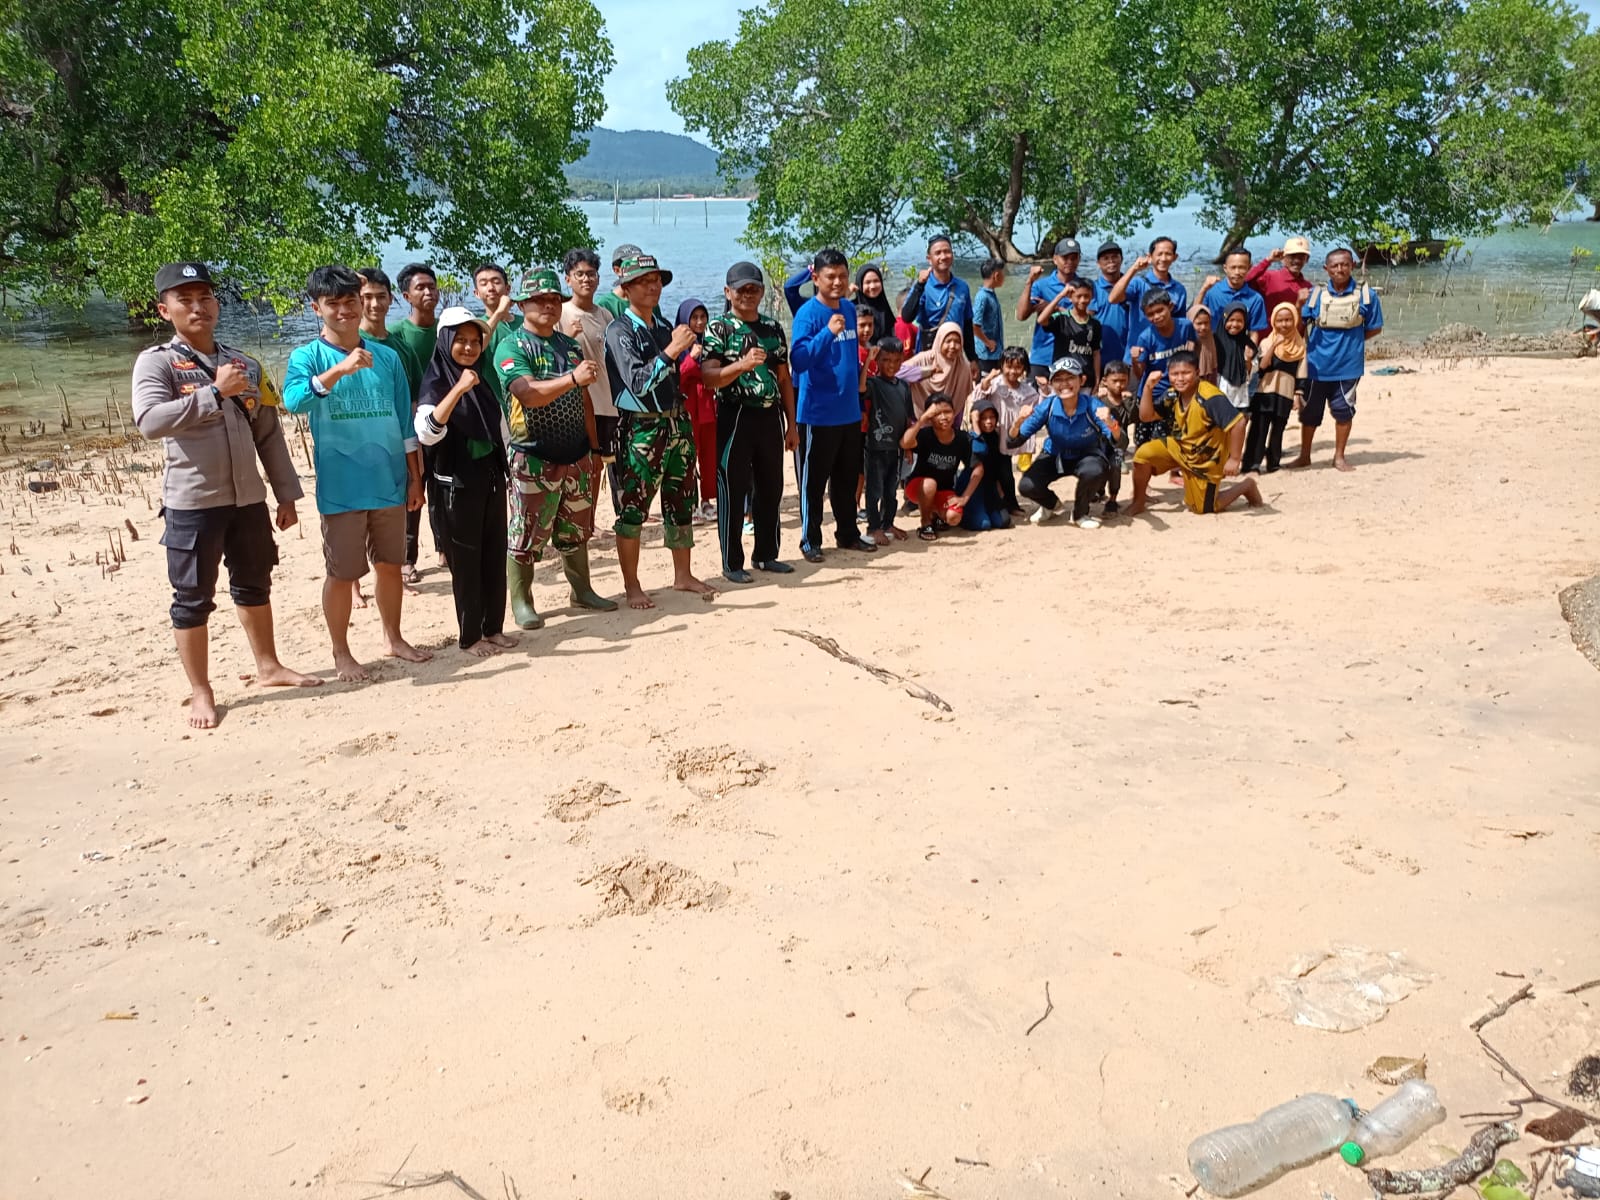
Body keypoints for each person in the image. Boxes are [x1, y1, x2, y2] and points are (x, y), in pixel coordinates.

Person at [131, 261, 321, 728]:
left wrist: (286, 494)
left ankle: (269, 666)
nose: (198, 307)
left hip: (247, 500)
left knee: (255, 582)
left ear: (216, 304)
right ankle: (201, 690)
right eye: (185, 300)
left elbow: (269, 434)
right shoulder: (156, 362)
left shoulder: (247, 364)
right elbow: (150, 421)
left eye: (205, 298)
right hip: (192, 501)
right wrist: (212, 394)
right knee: (192, 598)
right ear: (164, 309)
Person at [282, 265, 431, 681]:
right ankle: (341, 652)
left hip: (390, 481)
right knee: (342, 573)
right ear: (316, 308)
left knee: (389, 565)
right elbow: (293, 401)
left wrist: (415, 478)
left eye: (352, 301)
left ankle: (393, 637)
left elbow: (405, 425)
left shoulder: (386, 357)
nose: (345, 311)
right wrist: (340, 370)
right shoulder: (307, 356)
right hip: (342, 485)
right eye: (334, 304)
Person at [496, 269, 618, 626]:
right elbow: (526, 393)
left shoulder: (568, 345)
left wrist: (594, 449)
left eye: (554, 299)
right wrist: (570, 378)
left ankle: (581, 590)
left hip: (576, 453)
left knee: (576, 528)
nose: (549, 305)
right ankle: (522, 602)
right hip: (532, 453)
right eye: (540, 300)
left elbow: (586, 401)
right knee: (525, 532)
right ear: (523, 305)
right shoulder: (512, 345)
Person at [602, 252, 719, 605]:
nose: (653, 286)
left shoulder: (663, 325)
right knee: (634, 507)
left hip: (676, 422)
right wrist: (672, 351)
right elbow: (638, 382)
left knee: (682, 499)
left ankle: (682, 575)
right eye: (643, 281)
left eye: (656, 280)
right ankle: (632, 585)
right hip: (641, 428)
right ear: (626, 287)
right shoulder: (619, 330)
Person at [414, 307, 516, 657]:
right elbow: (427, 432)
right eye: (461, 341)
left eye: (475, 341)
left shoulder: (479, 379)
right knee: (467, 563)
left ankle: (494, 628)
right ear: (445, 342)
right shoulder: (438, 381)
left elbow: (498, 427)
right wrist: (457, 390)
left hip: (489, 478)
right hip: (455, 485)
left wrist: (509, 471)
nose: (469, 348)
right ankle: (470, 636)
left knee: (493, 557)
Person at [700, 261, 799, 581]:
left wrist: (792, 423)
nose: (748, 295)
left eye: (753, 288)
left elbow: (784, 378)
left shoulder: (772, 328)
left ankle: (766, 554)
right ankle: (731, 562)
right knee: (732, 486)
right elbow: (708, 377)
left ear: (762, 291)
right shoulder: (719, 328)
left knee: (771, 487)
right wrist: (741, 365)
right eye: (741, 289)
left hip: (770, 416)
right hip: (736, 414)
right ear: (728, 292)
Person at [791, 247, 876, 562]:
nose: (838, 282)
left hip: (849, 410)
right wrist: (827, 333)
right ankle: (810, 541)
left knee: (845, 478)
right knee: (813, 483)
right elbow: (798, 361)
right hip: (817, 414)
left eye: (843, 275)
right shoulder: (808, 315)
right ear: (815, 278)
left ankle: (848, 534)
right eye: (831, 276)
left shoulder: (850, 310)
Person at [1127, 350, 1263, 516]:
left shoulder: (1210, 397)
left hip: (1205, 459)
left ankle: (1246, 486)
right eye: (1175, 374)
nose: (1180, 378)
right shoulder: (1172, 393)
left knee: (1203, 509)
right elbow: (1146, 416)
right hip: (1180, 447)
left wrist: (1234, 459)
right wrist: (1148, 387)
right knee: (1142, 455)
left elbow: (1238, 423)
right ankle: (1138, 502)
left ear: (1198, 373)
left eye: (1186, 373)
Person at [1294, 247, 1382, 471]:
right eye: (1335, 265)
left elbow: (1375, 328)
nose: (1340, 269)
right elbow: (1298, 328)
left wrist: (1352, 341)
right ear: (1326, 269)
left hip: (1348, 367)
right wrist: (1298, 304)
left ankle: (1339, 456)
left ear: (1352, 264)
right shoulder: (1314, 295)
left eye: (1344, 264)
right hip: (1315, 366)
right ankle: (1305, 455)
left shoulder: (1367, 295)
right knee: (1309, 413)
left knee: (1343, 411)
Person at [1010, 356, 1116, 528]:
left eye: (1070, 378)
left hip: (1086, 455)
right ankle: (1050, 505)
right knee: (1026, 485)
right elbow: (1013, 441)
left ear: (1081, 380)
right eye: (1058, 380)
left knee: (1095, 470)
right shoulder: (1048, 406)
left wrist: (1112, 424)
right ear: (1051, 384)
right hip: (1055, 455)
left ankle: (1080, 513)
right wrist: (1018, 422)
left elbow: (1120, 441)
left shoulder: (1092, 405)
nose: (1064, 384)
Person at [388, 263, 441, 584]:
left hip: (446, 421)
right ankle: (408, 559)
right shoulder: (397, 336)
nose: (428, 292)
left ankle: (444, 548)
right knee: (415, 489)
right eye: (420, 288)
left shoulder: (447, 329)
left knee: (443, 488)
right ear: (406, 295)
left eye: (432, 286)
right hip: (411, 424)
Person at [560, 248, 623, 513]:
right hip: (576, 404)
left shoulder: (604, 314)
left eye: (592, 274)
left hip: (606, 402)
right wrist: (568, 338)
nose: (586, 280)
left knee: (598, 465)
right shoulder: (561, 314)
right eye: (580, 274)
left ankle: (591, 520)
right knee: (576, 466)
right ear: (568, 279)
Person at [901, 396, 981, 541]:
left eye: (947, 412)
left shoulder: (962, 438)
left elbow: (978, 469)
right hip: (918, 487)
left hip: (944, 489)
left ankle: (935, 514)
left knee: (954, 518)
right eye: (937, 414)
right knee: (930, 483)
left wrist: (964, 498)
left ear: (954, 412)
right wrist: (923, 419)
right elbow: (905, 443)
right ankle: (925, 522)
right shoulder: (925, 435)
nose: (943, 417)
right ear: (931, 417)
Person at [969, 346, 1038, 512]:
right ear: (1001, 366)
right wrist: (985, 383)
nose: (1013, 371)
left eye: (1018, 367)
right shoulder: (994, 383)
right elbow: (977, 401)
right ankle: (992, 501)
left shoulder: (1026, 391)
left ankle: (1010, 503)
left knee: (1006, 471)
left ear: (1024, 369)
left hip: (1007, 437)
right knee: (989, 469)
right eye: (1009, 366)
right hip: (990, 434)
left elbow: (1034, 407)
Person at [861, 335, 914, 545]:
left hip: (897, 448)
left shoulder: (903, 386)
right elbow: (860, 388)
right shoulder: (873, 384)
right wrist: (867, 362)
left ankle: (888, 523)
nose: (891, 365)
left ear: (902, 360)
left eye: (895, 361)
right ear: (877, 361)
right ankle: (873, 527)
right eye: (885, 360)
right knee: (874, 490)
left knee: (892, 490)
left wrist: (908, 447)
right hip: (875, 447)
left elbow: (908, 417)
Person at [1243, 302, 1306, 474]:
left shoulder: (1300, 346)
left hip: (1285, 392)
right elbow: (1262, 366)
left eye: (1288, 320)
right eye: (1280, 320)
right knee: (1259, 429)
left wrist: (1298, 395)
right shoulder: (1266, 342)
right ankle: (1252, 465)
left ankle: (1274, 463)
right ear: (1273, 322)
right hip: (1265, 391)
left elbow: (1302, 373)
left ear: (1294, 321)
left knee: (1278, 430)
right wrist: (1274, 346)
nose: (1284, 324)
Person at [1129, 290, 1197, 446]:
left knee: (1172, 435)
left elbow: (1194, 349)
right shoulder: (1146, 337)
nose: (1156, 316)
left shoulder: (1185, 326)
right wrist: (1134, 360)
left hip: (1177, 390)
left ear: (1170, 306)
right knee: (1143, 440)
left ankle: (1174, 469)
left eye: (1160, 310)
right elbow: (1140, 374)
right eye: (1150, 314)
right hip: (1152, 393)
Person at [673, 298, 719, 523]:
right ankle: (689, 502)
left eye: (703, 317)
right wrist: (691, 358)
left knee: (709, 457)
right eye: (694, 318)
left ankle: (707, 501)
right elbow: (674, 378)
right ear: (684, 320)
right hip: (688, 407)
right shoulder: (676, 345)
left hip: (709, 407)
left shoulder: (712, 342)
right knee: (688, 457)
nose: (700, 322)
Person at [1017, 238, 1087, 380]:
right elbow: (1021, 315)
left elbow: (1089, 318)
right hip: (1042, 356)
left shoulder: (1084, 287)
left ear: (1079, 259)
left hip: (1072, 358)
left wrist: (1053, 307)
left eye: (1074, 258)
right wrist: (1029, 281)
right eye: (1065, 257)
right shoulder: (1041, 285)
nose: (1070, 261)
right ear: (1055, 259)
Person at [900, 235, 975, 359]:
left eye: (947, 252)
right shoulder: (923, 286)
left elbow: (967, 325)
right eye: (938, 253)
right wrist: (919, 285)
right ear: (929, 259)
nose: (943, 257)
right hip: (929, 355)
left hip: (955, 354)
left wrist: (972, 359)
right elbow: (906, 317)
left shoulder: (962, 287)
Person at [1109, 237, 1188, 351]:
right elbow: (1113, 298)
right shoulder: (1138, 283)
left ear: (1175, 257)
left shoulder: (1179, 289)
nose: (1163, 258)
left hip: (1165, 354)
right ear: (1150, 257)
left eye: (1168, 254)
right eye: (1159, 254)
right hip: (1138, 352)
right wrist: (1134, 269)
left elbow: (1180, 325)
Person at [899, 321, 974, 423]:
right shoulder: (925, 359)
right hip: (920, 423)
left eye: (957, 342)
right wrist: (927, 371)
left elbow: (960, 403)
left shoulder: (963, 366)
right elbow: (898, 373)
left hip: (948, 425)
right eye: (948, 341)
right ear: (940, 341)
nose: (952, 346)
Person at [1035, 277, 1102, 386]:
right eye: (1078, 296)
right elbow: (1041, 320)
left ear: (1091, 297)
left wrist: (1097, 381)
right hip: (1063, 378)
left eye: (1086, 296)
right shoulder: (1061, 319)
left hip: (1086, 379)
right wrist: (1060, 295)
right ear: (1070, 297)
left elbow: (1096, 354)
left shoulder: (1095, 324)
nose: (1083, 300)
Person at [958, 400, 1013, 531]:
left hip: (989, 486)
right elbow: (979, 451)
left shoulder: (996, 437)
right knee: (983, 524)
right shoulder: (969, 437)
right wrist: (976, 428)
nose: (989, 421)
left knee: (1003, 521)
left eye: (992, 417)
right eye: (983, 418)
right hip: (972, 485)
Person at [1200, 250, 1270, 337]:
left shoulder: (1256, 299)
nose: (1237, 272)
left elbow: (1254, 332)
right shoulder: (1212, 292)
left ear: (1249, 267)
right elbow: (1193, 316)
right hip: (1213, 343)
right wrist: (1203, 289)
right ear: (1225, 268)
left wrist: (1251, 349)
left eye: (1242, 267)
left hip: (1240, 346)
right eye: (1233, 267)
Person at [1247, 236, 1313, 320]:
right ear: (1283, 258)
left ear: (1307, 259)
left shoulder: (1308, 287)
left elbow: (1304, 319)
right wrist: (1268, 260)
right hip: (1268, 332)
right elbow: (1245, 281)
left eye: (1301, 257)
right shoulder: (1268, 277)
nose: (1297, 260)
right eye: (1292, 256)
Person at [1090, 241, 1132, 368]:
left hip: (1129, 355)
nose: (1111, 261)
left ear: (1121, 259)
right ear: (1098, 263)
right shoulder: (1093, 288)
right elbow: (1084, 318)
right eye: (1105, 258)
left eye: (1115, 257)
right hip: (1101, 356)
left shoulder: (1133, 286)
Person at [1214, 302, 1255, 410]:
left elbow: (1250, 372)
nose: (1235, 324)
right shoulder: (1215, 341)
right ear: (1224, 319)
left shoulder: (1247, 344)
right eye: (1231, 320)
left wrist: (1248, 359)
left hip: (1240, 393)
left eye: (1239, 321)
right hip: (1220, 388)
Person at [973, 258, 1006, 373]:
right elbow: (974, 326)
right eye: (1003, 273)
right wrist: (988, 342)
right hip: (986, 355)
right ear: (996, 275)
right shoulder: (982, 297)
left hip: (995, 353)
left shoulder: (991, 294)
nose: (1004, 277)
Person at [596, 243, 645, 320]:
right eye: (631, 266)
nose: (637, 270)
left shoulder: (648, 299)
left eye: (639, 265)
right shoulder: (604, 304)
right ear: (617, 270)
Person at [853, 263, 897, 346]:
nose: (872, 286)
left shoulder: (885, 308)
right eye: (867, 282)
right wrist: (845, 294)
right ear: (859, 285)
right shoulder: (852, 307)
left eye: (876, 281)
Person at [1189, 303, 1219, 383]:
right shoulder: (1187, 340)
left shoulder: (1210, 338)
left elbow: (1213, 365)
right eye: (1199, 323)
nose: (1203, 327)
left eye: (1206, 323)